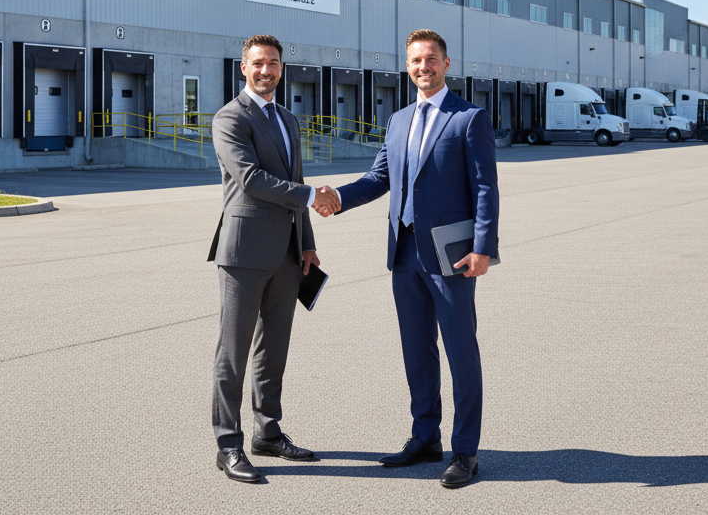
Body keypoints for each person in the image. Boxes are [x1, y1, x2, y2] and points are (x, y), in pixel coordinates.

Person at [313, 29, 499, 488]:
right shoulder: (398, 121)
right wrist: (337, 196)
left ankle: (466, 450)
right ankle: (425, 438)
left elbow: (485, 187)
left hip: (452, 251)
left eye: (431, 59)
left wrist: (483, 248)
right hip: (404, 252)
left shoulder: (468, 118)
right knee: (417, 351)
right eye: (416, 60)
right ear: (408, 66)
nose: (423, 67)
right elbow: (379, 178)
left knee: (460, 351)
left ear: (447, 63)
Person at [208, 34, 324, 484]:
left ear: (281, 68)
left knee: (272, 350)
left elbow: (294, 178)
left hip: (289, 254)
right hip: (244, 252)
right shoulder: (229, 118)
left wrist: (308, 241)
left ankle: (268, 432)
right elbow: (252, 179)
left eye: (273, 63)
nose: (266, 71)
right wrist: (314, 196)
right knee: (232, 353)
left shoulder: (288, 119)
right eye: (258, 63)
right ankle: (227, 444)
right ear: (244, 68)